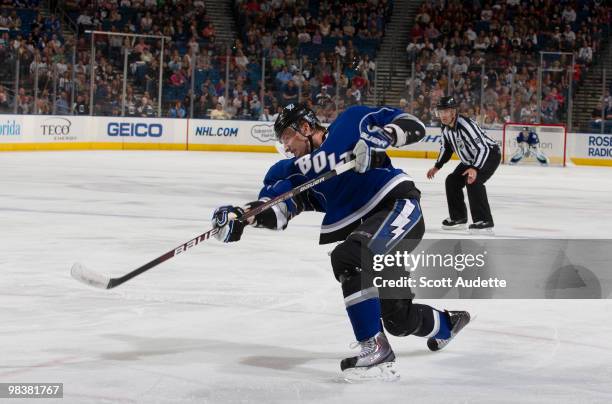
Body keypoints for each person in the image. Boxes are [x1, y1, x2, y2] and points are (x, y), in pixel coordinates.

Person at [211, 103, 471, 381]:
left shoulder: (351, 122)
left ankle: (375, 349)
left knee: (350, 257)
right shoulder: (289, 171)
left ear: (306, 127)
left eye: (286, 136)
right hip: (370, 234)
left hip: (397, 207)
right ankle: (448, 324)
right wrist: (245, 217)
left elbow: (413, 124)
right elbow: (278, 209)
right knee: (398, 317)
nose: (285, 146)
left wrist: (384, 138)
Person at [426, 96, 500, 232]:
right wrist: (437, 166)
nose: (442, 115)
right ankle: (458, 217)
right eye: (440, 112)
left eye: (446, 111)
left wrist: (474, 168)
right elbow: (446, 147)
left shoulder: (466, 125)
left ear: (453, 112)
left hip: (489, 155)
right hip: (470, 160)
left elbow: (483, 148)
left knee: (473, 181)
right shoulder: (445, 127)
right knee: (452, 181)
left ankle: (484, 220)